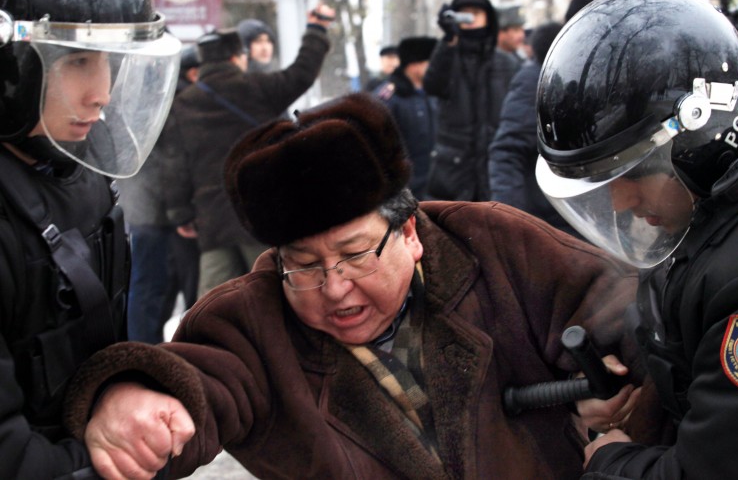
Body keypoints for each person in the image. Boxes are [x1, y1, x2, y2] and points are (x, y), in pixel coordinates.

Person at [65, 92, 639, 479]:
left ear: (409, 231)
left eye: (355, 254)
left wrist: (616, 396)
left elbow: (629, 317)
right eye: (305, 265)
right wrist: (137, 395)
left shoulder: (495, 246)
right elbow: (204, 378)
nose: (335, 289)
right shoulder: (253, 319)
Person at [534, 0, 738, 478]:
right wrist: (642, 396)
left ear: (705, 141)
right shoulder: (703, 216)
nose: (619, 201)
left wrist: (611, 462)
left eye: (633, 175)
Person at [0, 0, 181, 477]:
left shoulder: (81, 174)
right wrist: (107, 465)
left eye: (109, 61)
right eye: (77, 60)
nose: (101, 92)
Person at [162, 7, 334, 297]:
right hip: (260, 213)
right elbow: (302, 73)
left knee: (216, 302)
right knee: (276, 292)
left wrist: (180, 213)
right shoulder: (258, 88)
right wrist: (316, 31)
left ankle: (216, 342)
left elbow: (174, 165)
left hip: (213, 217)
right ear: (237, 57)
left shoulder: (183, 104)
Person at [119, 45, 202, 343]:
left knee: (150, 288)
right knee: (151, 288)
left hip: (143, 210)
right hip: (157, 212)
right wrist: (180, 212)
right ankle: (143, 353)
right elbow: (172, 161)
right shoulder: (175, 102)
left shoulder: (147, 98)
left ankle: (144, 349)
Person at [488, 22, 578, 235]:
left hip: (574, 214)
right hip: (549, 217)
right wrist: (512, 220)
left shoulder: (573, 76)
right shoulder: (535, 80)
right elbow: (507, 150)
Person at [423, 0, 510, 201]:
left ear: (488, 18)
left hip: (494, 166)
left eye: (475, 13)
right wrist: (448, 40)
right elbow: (432, 85)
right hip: (454, 168)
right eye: (463, 14)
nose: (469, 19)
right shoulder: (448, 56)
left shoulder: (506, 63)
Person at [375, 35, 438, 199]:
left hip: (432, 186)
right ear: (415, 65)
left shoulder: (430, 92)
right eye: (430, 63)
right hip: (405, 192)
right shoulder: (390, 97)